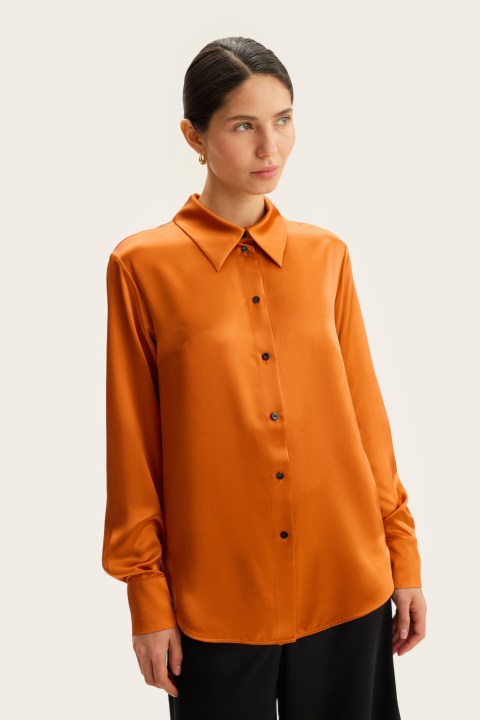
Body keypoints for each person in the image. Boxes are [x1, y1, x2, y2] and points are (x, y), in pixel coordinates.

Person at [102, 36, 427, 719]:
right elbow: (133, 448)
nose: (269, 147)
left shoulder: (327, 256)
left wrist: (404, 557)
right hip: (215, 602)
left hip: (348, 586)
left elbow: (368, 423)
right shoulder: (142, 268)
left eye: (282, 120)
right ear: (194, 136)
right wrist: (146, 596)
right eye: (243, 125)